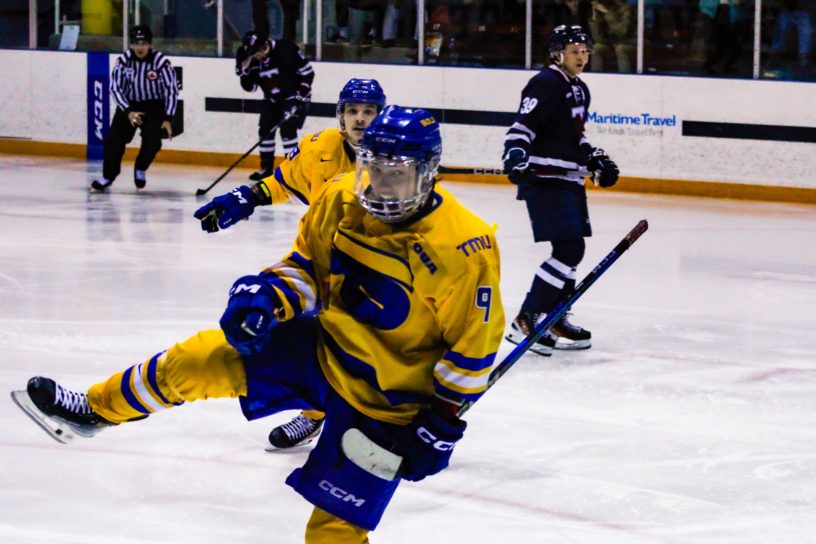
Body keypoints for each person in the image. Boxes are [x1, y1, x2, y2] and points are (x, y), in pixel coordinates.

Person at [14, 105, 505, 543]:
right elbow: (307, 268)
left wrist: (440, 423)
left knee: (334, 530)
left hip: (386, 401)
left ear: (427, 174)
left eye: (394, 174)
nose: (378, 183)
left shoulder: (464, 248)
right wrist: (268, 298)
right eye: (371, 168)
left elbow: (472, 351)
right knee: (196, 360)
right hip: (322, 350)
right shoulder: (339, 198)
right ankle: (97, 409)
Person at [194, 78, 388, 450]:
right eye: (352, 111)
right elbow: (284, 181)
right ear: (340, 116)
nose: (360, 119)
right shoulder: (321, 148)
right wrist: (246, 197)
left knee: (368, 348)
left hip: (378, 270)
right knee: (307, 336)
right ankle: (315, 413)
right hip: (321, 261)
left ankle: (377, 417)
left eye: (368, 111)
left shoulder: (397, 156)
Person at [501, 24, 619, 356]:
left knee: (571, 251)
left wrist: (593, 159)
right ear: (558, 54)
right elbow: (522, 126)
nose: (581, 57)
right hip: (544, 178)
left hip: (568, 179)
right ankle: (527, 319)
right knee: (569, 250)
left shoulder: (579, 89)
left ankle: (555, 317)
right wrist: (515, 154)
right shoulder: (545, 83)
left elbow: (573, 137)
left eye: (584, 51)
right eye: (574, 51)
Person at [91, 25, 178, 192]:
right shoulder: (123, 61)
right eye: (137, 43)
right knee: (113, 141)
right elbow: (116, 88)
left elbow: (171, 90)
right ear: (131, 45)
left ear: (150, 44)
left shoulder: (161, 63)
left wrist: (168, 118)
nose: (140, 47)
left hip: (154, 106)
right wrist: (128, 111)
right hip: (130, 104)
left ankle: (140, 168)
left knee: (152, 142)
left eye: (144, 43)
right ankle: (108, 176)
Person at [236, 30, 315, 181]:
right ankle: (266, 168)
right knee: (265, 130)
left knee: (287, 130)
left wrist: (298, 100)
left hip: (296, 96)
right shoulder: (253, 60)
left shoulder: (286, 49)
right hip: (271, 99)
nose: (255, 57)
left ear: (264, 45)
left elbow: (308, 73)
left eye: (256, 52)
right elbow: (251, 88)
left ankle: (292, 170)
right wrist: (244, 73)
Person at [589, 0, 636, 73]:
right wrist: (595, 18)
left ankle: (625, 80)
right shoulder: (601, 10)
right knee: (597, 48)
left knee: (620, 49)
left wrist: (608, 14)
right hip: (612, 46)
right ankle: (596, 81)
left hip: (632, 45)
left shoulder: (626, 9)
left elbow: (622, 33)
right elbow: (598, 39)